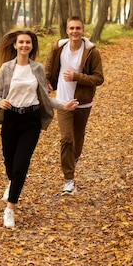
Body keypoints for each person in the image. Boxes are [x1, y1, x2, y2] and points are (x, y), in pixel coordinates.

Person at [0, 30, 78, 228]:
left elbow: (44, 97)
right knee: (9, 161)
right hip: (11, 119)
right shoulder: (6, 68)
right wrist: (0, 102)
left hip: (31, 120)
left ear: (32, 46)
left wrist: (63, 106)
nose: (25, 45)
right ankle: (12, 182)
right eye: (21, 42)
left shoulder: (37, 68)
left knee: (21, 163)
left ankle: (10, 208)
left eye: (28, 43)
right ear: (15, 45)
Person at [45, 16, 104, 195]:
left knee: (77, 141)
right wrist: (48, 82)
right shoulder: (58, 48)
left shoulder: (92, 51)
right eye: (71, 28)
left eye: (78, 28)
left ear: (83, 30)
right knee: (66, 139)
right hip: (63, 101)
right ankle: (69, 181)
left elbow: (99, 78)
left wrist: (77, 76)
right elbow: (49, 68)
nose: (74, 32)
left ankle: (73, 159)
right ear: (67, 30)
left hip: (82, 103)